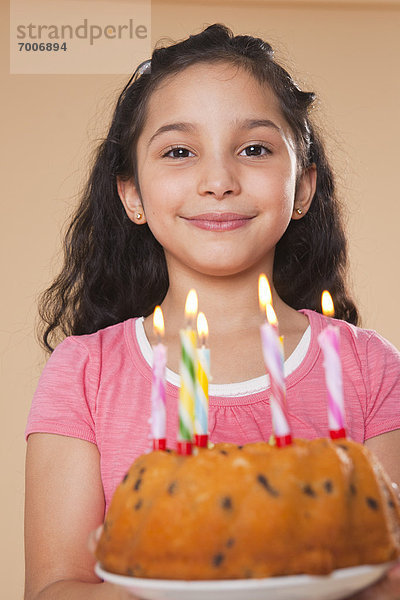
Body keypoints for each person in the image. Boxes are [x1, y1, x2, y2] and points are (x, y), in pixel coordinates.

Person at [24, 23, 400, 600]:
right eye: (179, 151)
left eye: (254, 149)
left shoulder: (368, 367)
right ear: (131, 194)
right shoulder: (85, 374)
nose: (219, 181)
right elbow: (53, 589)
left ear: (303, 187)